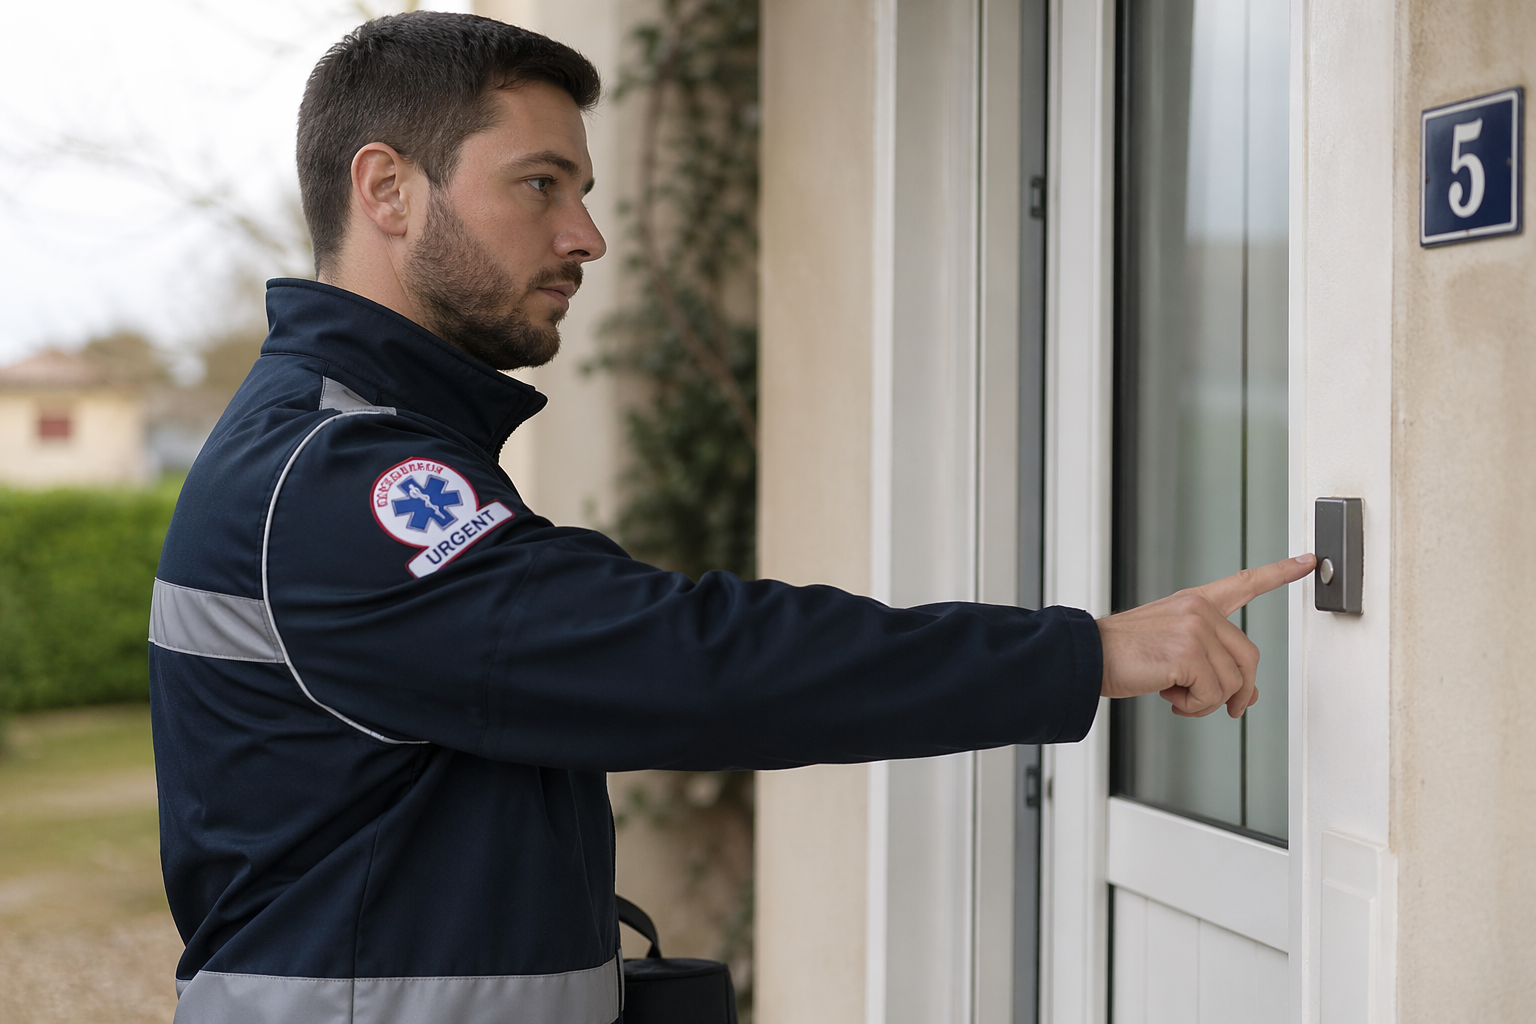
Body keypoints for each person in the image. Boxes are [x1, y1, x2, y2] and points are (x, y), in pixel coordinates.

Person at [148, 12, 1315, 1024]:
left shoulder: (354, 443)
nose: (586, 237)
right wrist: (1093, 650)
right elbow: (687, 659)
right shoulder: (340, 478)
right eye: (539, 184)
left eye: (584, 194)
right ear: (387, 189)